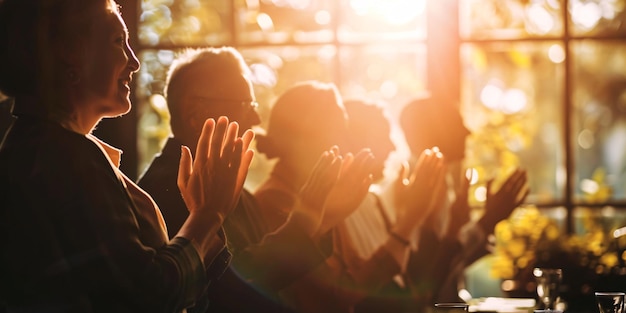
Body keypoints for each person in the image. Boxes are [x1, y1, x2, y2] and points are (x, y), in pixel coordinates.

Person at [0, 1, 254, 312]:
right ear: (70, 49)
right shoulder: (64, 159)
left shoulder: (42, 149)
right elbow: (145, 298)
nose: (134, 62)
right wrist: (207, 216)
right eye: (118, 41)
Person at [137, 47, 344, 312]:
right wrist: (306, 220)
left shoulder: (231, 187)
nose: (256, 119)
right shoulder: (164, 191)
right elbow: (234, 288)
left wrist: (320, 217)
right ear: (196, 114)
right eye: (246, 105)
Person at [253, 83, 444, 313]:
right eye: (339, 130)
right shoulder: (276, 201)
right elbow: (338, 294)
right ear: (306, 137)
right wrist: (409, 221)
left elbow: (353, 275)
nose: (347, 142)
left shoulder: (318, 196)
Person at [399, 95, 530, 307]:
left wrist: (486, 224)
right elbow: (426, 279)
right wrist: (485, 223)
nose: (467, 132)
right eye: (455, 123)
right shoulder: (413, 192)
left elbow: (453, 258)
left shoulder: (444, 185)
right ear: (431, 132)